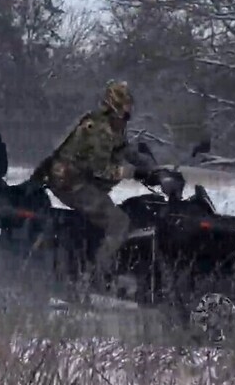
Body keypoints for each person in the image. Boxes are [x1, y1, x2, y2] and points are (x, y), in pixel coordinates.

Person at [33, 80, 156, 291]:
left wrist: (150, 165)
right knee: (119, 222)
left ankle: (93, 257)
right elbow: (100, 168)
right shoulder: (101, 129)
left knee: (108, 216)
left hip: (80, 180)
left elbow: (122, 149)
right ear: (115, 105)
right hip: (71, 183)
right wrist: (132, 172)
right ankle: (97, 276)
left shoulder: (113, 125)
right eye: (126, 106)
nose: (129, 111)